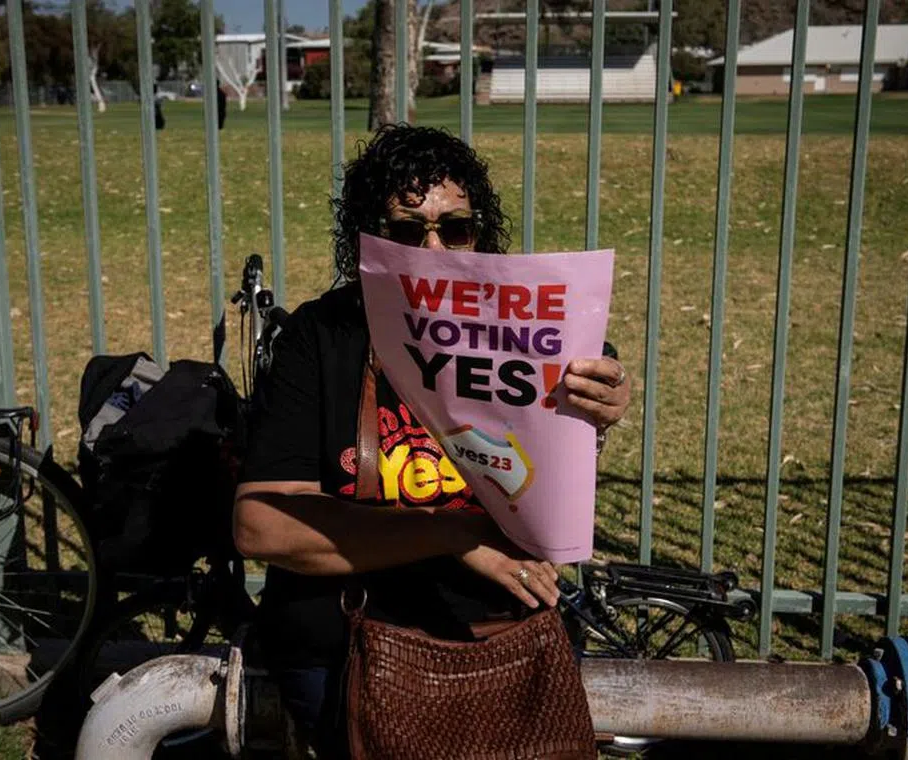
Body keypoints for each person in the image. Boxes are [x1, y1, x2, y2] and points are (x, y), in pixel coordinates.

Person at [233, 124, 631, 757]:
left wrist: (595, 418)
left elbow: (544, 495)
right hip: (350, 643)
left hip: (501, 636)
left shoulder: (527, 326)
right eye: (405, 230)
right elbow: (262, 525)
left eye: (458, 227)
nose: (436, 246)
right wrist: (455, 536)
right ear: (368, 238)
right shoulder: (325, 335)